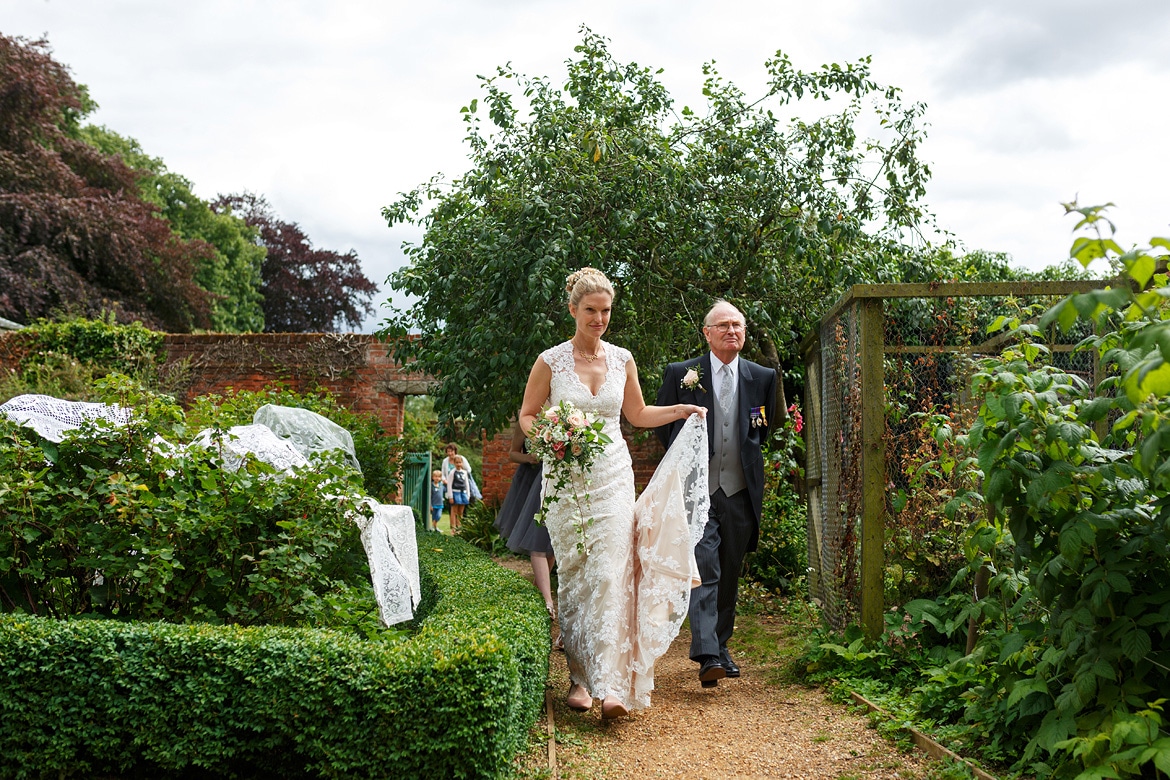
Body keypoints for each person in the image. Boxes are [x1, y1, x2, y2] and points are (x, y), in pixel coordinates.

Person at [519, 267, 707, 720]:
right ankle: (578, 679)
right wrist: (552, 437)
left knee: (610, 571)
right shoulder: (550, 361)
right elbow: (527, 415)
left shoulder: (622, 358)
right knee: (577, 573)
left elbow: (637, 413)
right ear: (573, 310)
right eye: (590, 311)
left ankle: (611, 687)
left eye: (605, 311)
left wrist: (679, 410)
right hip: (567, 481)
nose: (599, 319)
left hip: (613, 475)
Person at [655, 300, 777, 688]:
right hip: (698, 489)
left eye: (738, 325)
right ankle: (707, 652)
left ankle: (721, 646)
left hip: (740, 490)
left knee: (730, 570)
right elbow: (663, 427)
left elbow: (764, 426)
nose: (732, 331)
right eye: (723, 325)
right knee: (705, 565)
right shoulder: (682, 373)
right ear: (706, 333)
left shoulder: (763, 376)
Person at [445, 454, 471, 533]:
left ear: (462, 463)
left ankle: (459, 527)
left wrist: (468, 495)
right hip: (455, 493)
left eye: (460, 462)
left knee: (461, 512)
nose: (458, 464)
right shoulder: (452, 472)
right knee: (454, 511)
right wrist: (450, 496)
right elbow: (449, 484)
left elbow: (467, 484)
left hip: (463, 493)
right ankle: (453, 528)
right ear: (454, 463)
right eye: (457, 462)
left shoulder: (464, 473)